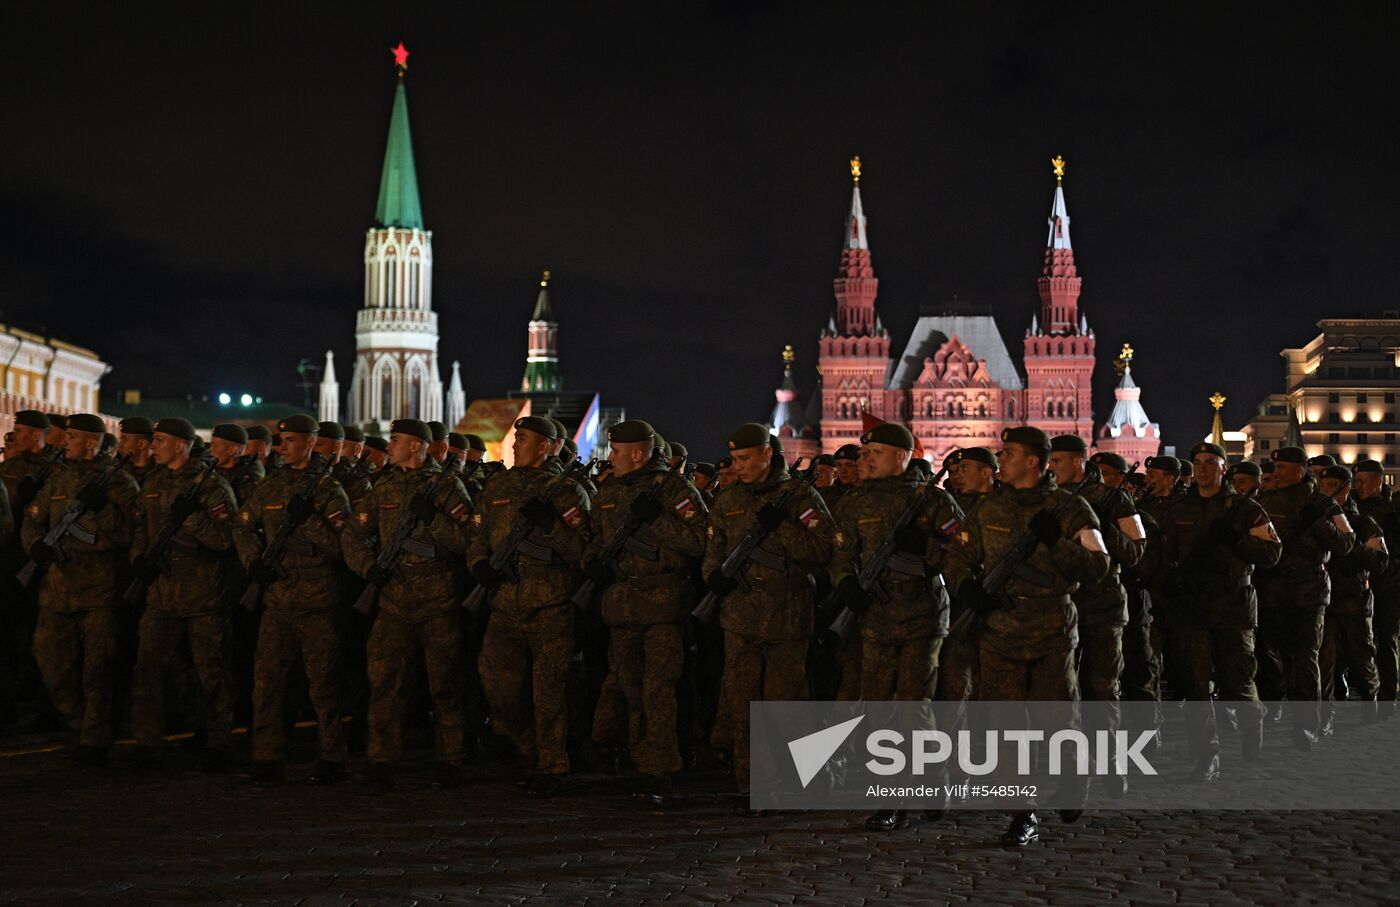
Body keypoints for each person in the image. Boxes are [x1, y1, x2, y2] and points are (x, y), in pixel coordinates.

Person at [943, 426, 1109, 847]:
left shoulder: (1070, 509)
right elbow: (959, 556)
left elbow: (1098, 566)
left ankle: (1072, 780)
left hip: (1051, 630)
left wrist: (1058, 543)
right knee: (1005, 728)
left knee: (1058, 721)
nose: (1002, 459)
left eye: (1010, 453)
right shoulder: (987, 509)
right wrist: (967, 588)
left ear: (1033, 460)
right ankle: (1021, 813)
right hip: (999, 631)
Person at [830, 422, 962, 831]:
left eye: (876, 454)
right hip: (876, 616)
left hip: (922, 613)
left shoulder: (932, 502)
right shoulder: (855, 502)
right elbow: (840, 552)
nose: (865, 460)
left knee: (913, 707)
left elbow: (964, 553)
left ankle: (931, 780)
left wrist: (925, 548)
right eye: (864, 454)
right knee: (878, 707)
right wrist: (847, 584)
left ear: (904, 457)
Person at [702, 423, 832, 810]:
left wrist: (786, 528)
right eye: (735, 460)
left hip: (787, 614)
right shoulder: (728, 500)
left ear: (766, 455)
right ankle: (754, 782)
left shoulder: (799, 496)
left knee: (786, 703)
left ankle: (797, 782)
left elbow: (823, 549)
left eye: (745, 459)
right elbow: (715, 546)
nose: (738, 466)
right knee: (742, 701)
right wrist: (714, 577)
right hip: (740, 614)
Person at [342, 419, 474, 788]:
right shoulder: (384, 484)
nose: (390, 446)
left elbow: (467, 540)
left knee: (444, 684)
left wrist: (432, 519)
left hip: (437, 601)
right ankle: (382, 757)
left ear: (416, 446)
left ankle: (451, 758)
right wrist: (369, 568)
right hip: (393, 602)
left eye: (396, 441)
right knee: (384, 681)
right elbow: (354, 531)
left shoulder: (446, 487)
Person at [581, 420, 707, 805]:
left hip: (663, 603)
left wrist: (659, 519)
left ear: (638, 453)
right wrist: (593, 564)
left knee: (658, 689)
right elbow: (594, 539)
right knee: (630, 687)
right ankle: (639, 759)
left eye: (616, 451)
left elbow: (699, 540)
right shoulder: (609, 491)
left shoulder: (673, 489)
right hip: (622, 605)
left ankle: (661, 769)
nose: (611, 457)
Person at [469, 416, 591, 797]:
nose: (515, 445)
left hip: (550, 603)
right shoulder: (498, 486)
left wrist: (552, 527)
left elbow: (584, 552)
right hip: (506, 600)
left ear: (546, 446)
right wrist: (480, 564)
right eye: (516, 438)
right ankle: (526, 744)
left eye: (524, 439)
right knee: (496, 681)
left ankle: (552, 764)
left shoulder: (566, 491)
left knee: (548, 690)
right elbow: (479, 535)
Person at [234, 414, 353, 784]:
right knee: (267, 679)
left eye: (289, 441)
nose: (282, 448)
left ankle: (333, 756)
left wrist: (311, 521)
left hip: (317, 600)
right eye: (281, 441)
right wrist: (254, 559)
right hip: (279, 598)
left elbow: (340, 547)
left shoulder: (329, 490)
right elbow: (243, 524)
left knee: (322, 684)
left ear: (310, 444)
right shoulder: (271, 486)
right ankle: (267, 756)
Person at [21, 413, 141, 766]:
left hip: (99, 591)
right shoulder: (58, 476)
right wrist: (35, 546)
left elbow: (130, 535)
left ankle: (95, 738)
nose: (64, 442)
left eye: (71, 436)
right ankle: (79, 721)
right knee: (51, 661)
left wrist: (103, 511)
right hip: (57, 588)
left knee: (97, 669)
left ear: (91, 442)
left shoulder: (119, 482)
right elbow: (33, 518)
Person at [1158, 442, 1281, 780]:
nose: (1202, 469)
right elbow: (1164, 552)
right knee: (1196, 686)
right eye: (1197, 462)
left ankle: (1251, 718)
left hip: (1232, 605)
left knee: (1237, 681)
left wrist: (1238, 541)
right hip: (1192, 606)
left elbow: (1272, 554)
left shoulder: (1245, 509)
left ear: (1223, 468)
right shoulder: (1179, 507)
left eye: (1210, 462)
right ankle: (1205, 754)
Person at [129, 418, 239, 771]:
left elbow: (225, 540)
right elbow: (141, 531)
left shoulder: (210, 486)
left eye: (159, 440)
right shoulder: (154, 481)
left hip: (203, 596)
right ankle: (148, 743)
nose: (153, 446)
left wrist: (192, 520)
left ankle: (218, 742)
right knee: (148, 668)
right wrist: (139, 560)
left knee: (212, 672)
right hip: (161, 594)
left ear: (180, 445)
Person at [1048, 435, 1145, 797]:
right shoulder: (1050, 501)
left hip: (1102, 605)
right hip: (1061, 606)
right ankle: (1071, 771)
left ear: (1077, 461)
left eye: (1057, 461)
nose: (1051, 468)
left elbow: (1136, 551)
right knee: (1063, 693)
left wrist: (1102, 530)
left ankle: (1110, 762)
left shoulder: (1116, 500)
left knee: (1102, 688)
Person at [1255, 446, 1355, 749]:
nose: (1278, 473)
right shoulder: (1267, 502)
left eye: (1284, 468)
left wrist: (1318, 522)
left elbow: (1346, 543)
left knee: (1305, 658)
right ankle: (1279, 705)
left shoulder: (1323, 504)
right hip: (1272, 593)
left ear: (1301, 470)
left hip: (1308, 594)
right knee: (1276, 657)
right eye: (1277, 468)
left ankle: (1307, 724)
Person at [1318, 464, 1384, 729]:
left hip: (1354, 597)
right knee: (1326, 658)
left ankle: (1371, 699)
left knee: (1361, 656)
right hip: (1325, 597)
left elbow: (1380, 560)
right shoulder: (1316, 518)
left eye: (1333, 486)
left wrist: (1348, 545)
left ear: (1346, 490)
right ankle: (1326, 714)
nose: (1327, 491)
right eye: (1323, 486)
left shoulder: (1362, 522)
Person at [1354, 460, 1400, 717]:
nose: (1358, 486)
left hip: (1387, 583)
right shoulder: (1354, 507)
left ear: (1378, 482)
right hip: (1359, 583)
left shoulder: (1390, 511)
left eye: (1363, 481)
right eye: (1356, 480)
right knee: (1362, 642)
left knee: (1385, 639)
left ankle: (1387, 697)